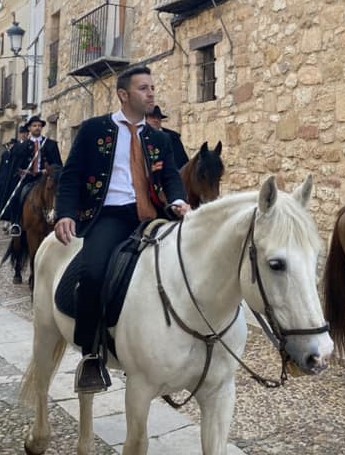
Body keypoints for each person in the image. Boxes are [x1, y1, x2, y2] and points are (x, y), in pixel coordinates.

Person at [54, 66, 191, 393]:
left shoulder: (160, 138)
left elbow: (171, 176)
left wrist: (178, 200)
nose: (151, 93)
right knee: (92, 273)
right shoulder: (93, 130)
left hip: (155, 215)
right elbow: (71, 176)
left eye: (153, 87)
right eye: (144, 88)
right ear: (123, 94)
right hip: (110, 216)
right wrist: (65, 214)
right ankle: (90, 354)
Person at [2, 116, 62, 237]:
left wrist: (49, 170)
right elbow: (15, 165)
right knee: (18, 195)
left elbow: (57, 165)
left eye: (39, 126)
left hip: (44, 178)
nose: (37, 128)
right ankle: (16, 223)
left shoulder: (50, 144)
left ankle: (59, 219)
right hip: (27, 179)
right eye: (34, 126)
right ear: (29, 128)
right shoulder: (20, 147)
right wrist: (21, 171)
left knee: (56, 194)